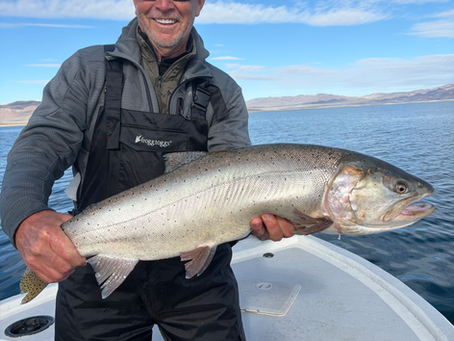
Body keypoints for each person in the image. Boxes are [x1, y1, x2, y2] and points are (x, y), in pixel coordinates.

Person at [0, 0, 294, 340]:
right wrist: (24, 216)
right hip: (96, 278)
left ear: (199, 4)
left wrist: (257, 221)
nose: (165, 4)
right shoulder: (87, 68)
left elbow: (237, 188)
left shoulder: (223, 92)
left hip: (199, 286)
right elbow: (40, 145)